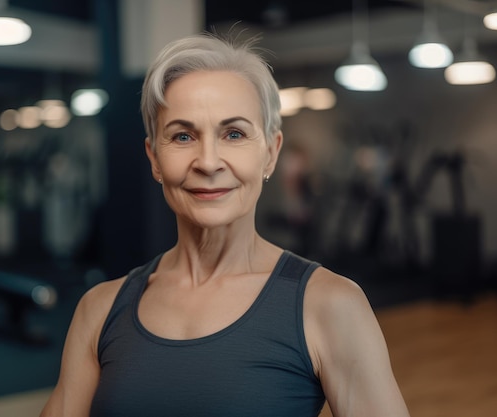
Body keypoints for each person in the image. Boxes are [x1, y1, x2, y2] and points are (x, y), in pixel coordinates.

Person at [40, 32, 410, 417]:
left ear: (270, 154)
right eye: (183, 136)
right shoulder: (100, 309)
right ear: (154, 158)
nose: (209, 162)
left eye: (233, 134)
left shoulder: (331, 305)